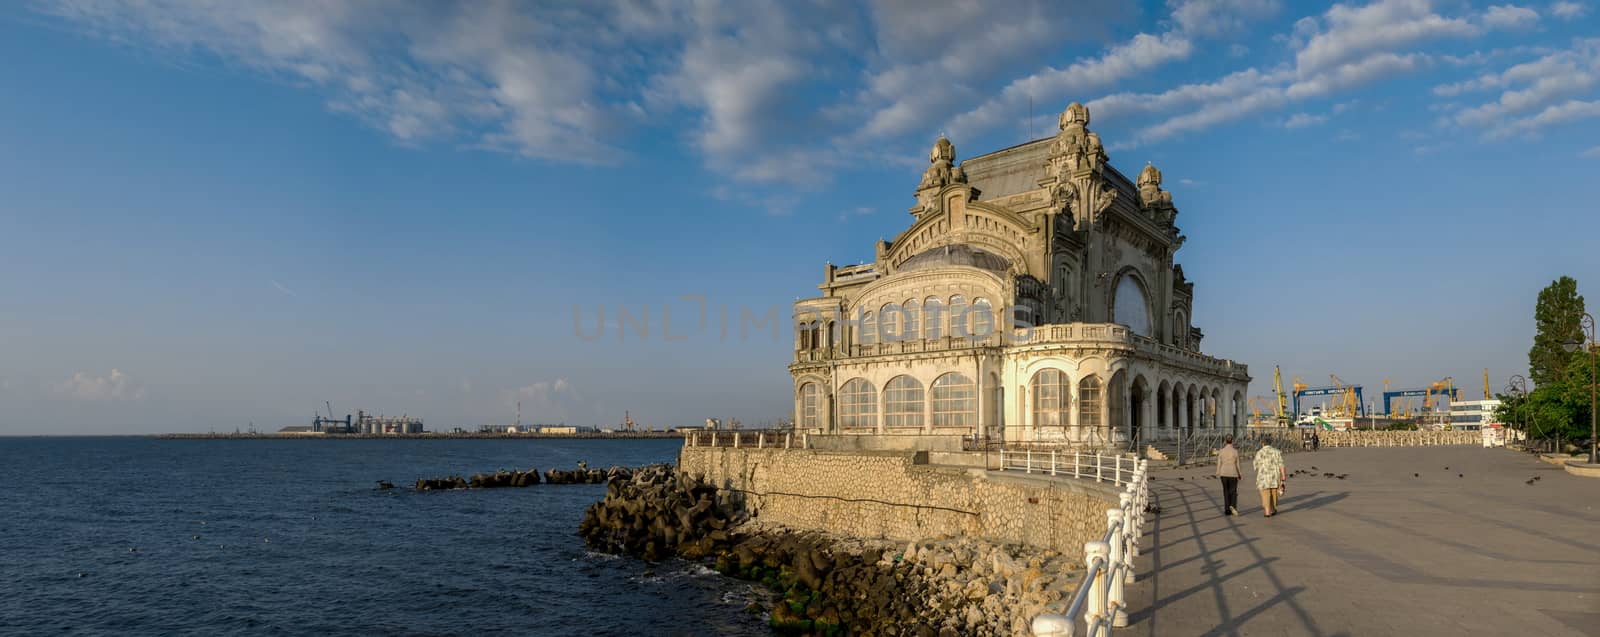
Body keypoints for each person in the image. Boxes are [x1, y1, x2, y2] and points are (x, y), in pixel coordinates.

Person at [1254, 442, 1287, 517]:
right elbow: (1282, 465)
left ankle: (1267, 512)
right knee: (1273, 495)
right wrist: (1283, 478)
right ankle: (1272, 509)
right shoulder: (1276, 452)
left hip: (1263, 479)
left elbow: (1256, 466)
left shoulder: (1259, 452)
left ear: (1263, 444)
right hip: (1274, 478)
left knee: (1265, 495)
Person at [1216, 434, 1242, 516]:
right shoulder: (1235, 451)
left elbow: (1219, 463)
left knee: (1225, 491)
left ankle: (1227, 509)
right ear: (1232, 441)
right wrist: (1239, 474)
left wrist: (1218, 472)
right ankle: (1233, 506)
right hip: (1233, 473)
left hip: (1223, 473)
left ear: (1225, 441)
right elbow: (1237, 464)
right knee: (1233, 491)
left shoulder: (1221, 451)